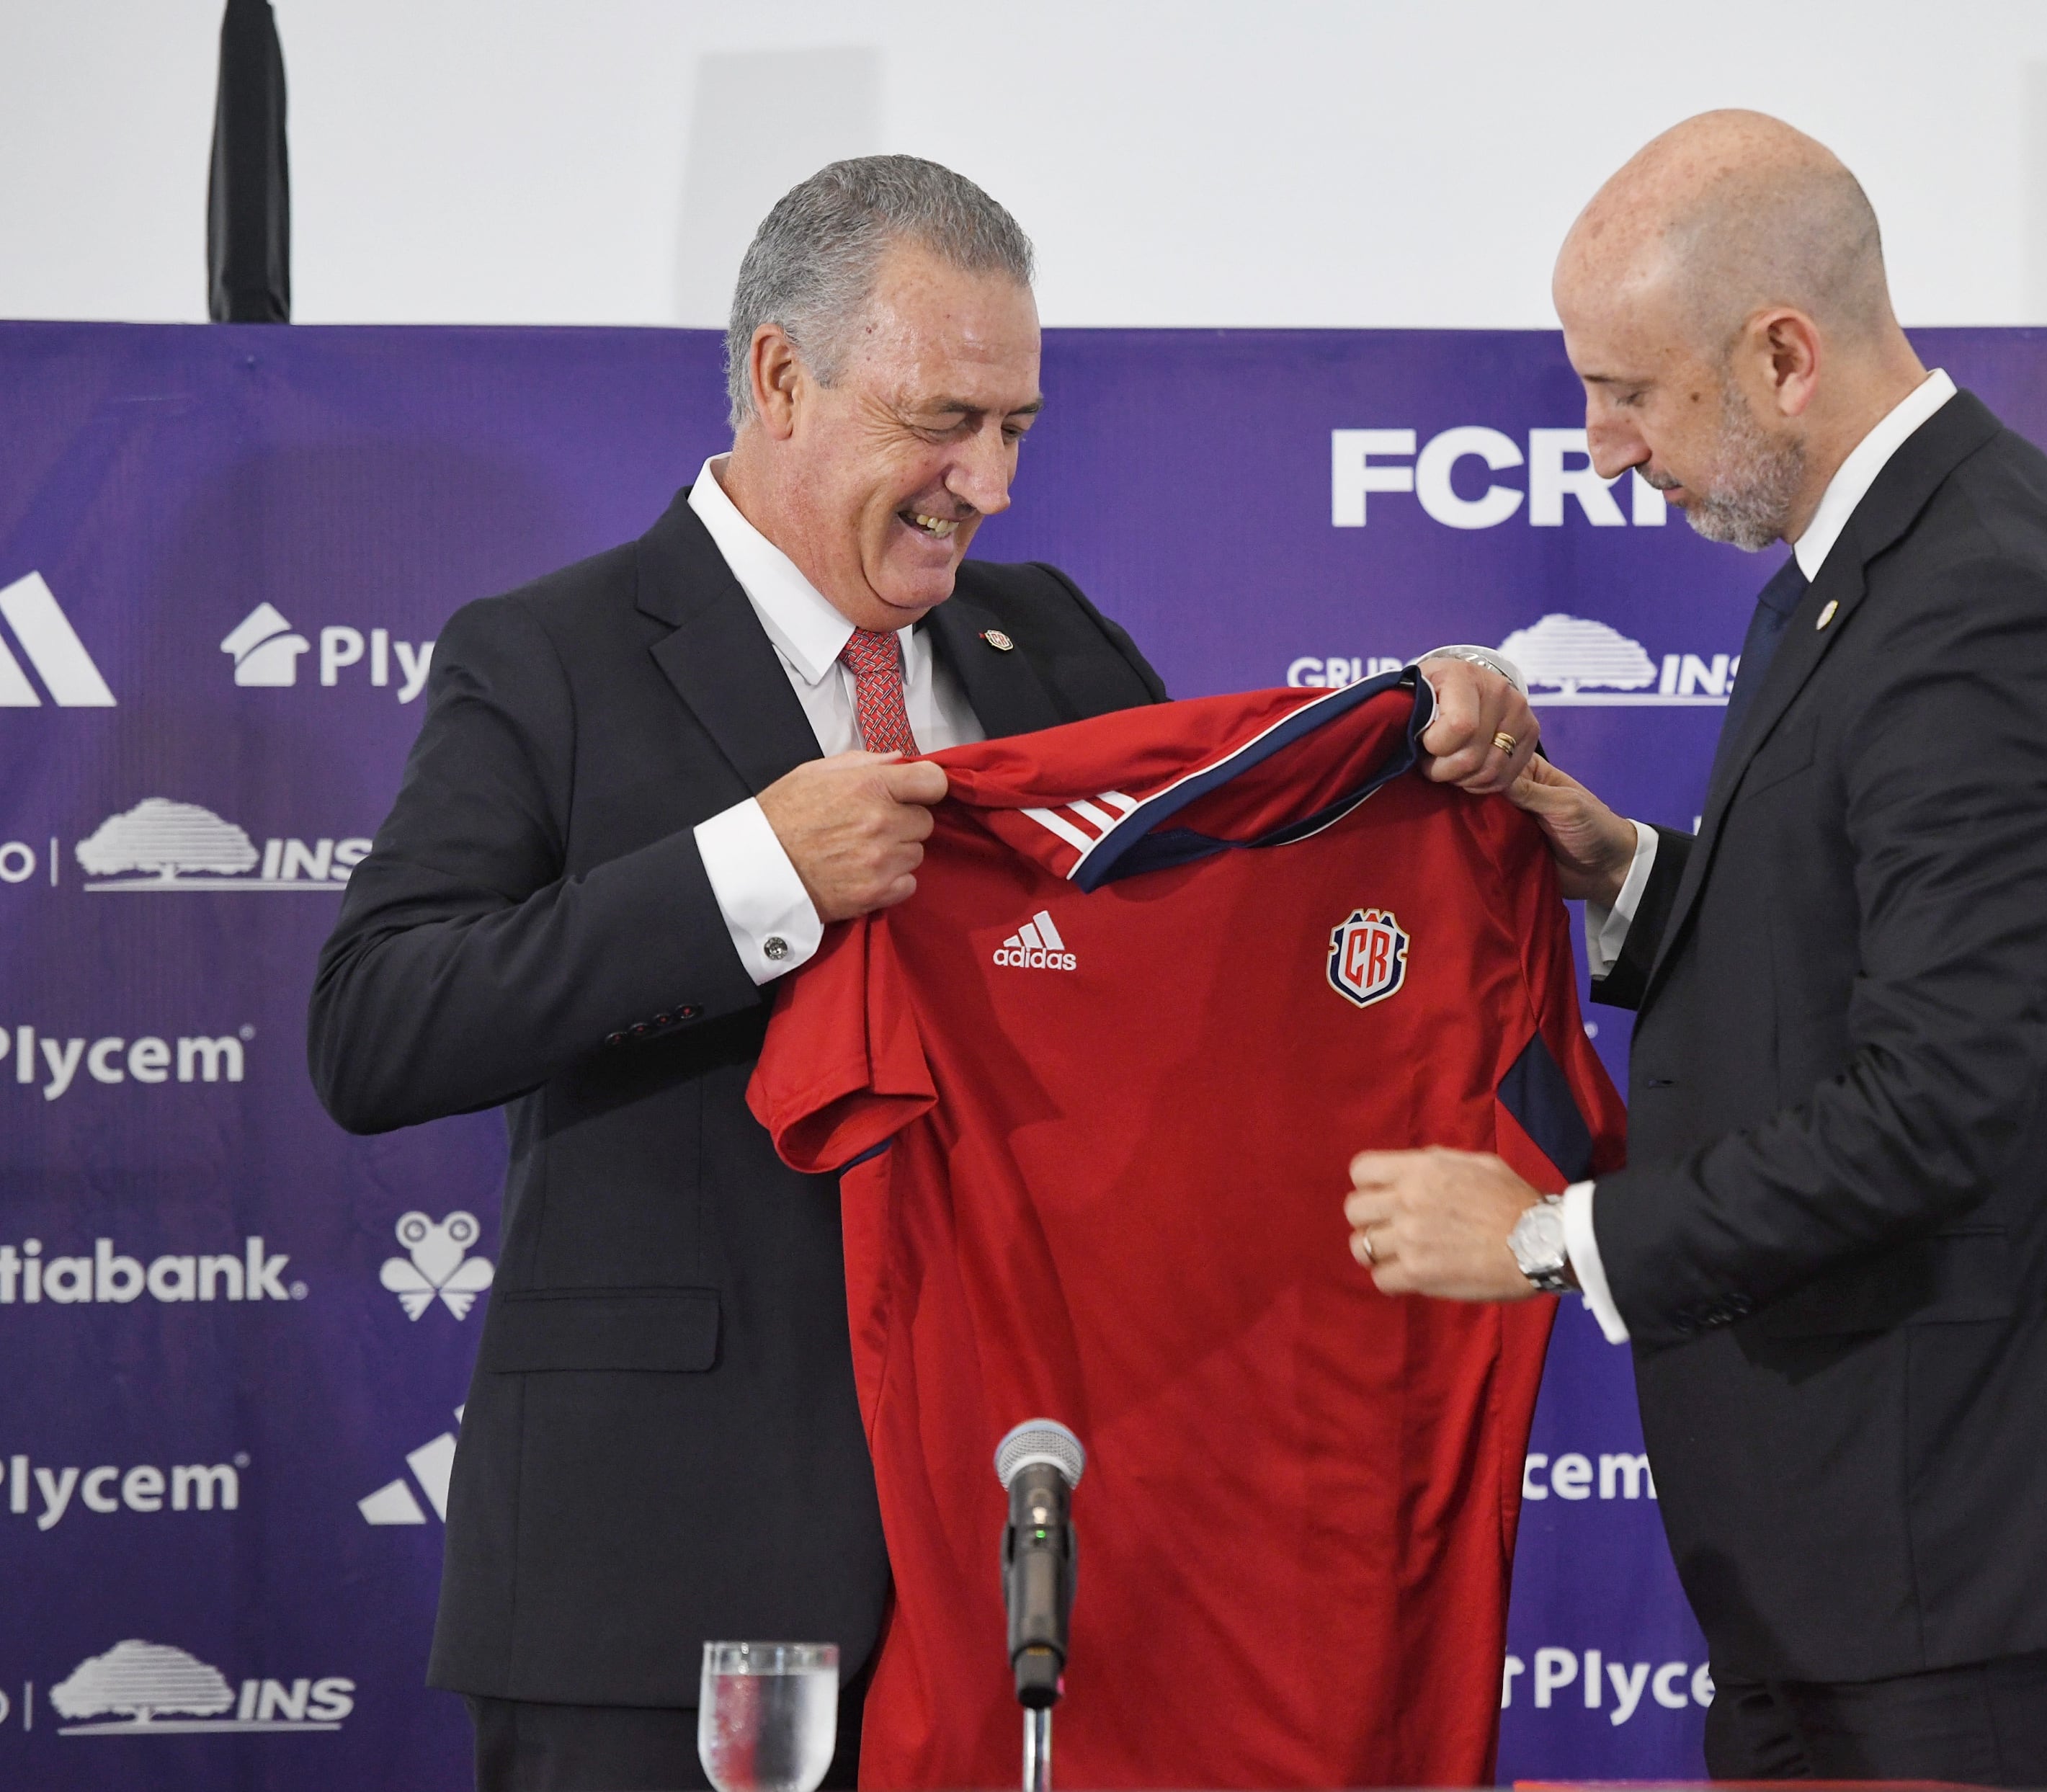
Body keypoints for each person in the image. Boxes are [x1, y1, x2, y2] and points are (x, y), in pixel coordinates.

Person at [308, 155, 1535, 1792]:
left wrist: (1410, 733)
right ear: (781, 377)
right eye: (947, 419)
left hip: (1032, 1566)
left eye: (1019, 426)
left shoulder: (1057, 642)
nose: (994, 482)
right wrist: (752, 876)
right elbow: (376, 1020)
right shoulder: (555, 656)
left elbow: (1231, 925)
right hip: (672, 1583)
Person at [1344, 111, 2047, 1786]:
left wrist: (1550, 1236)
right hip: (1856, 1563)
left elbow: (1934, 1100)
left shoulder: (1979, 593)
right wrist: (1615, 864)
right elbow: (1849, 945)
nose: (1604, 446)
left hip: (1952, 1565)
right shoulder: (1853, 567)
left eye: (1629, 390)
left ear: (1780, 354)